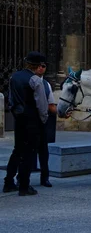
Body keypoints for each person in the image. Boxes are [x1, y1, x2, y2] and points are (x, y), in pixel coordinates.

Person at [3, 51, 50, 196]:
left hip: (19, 118)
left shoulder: (14, 77)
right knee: (29, 153)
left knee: (17, 151)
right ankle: (24, 185)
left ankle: (8, 182)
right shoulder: (36, 80)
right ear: (38, 66)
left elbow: (11, 99)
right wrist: (43, 119)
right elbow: (42, 104)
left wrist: (15, 112)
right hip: (32, 120)